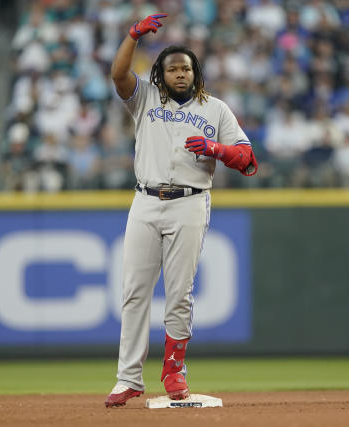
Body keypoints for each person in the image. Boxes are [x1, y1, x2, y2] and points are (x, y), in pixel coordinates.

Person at [104, 13, 257, 408]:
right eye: (171, 68)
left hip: (190, 201)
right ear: (160, 75)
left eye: (185, 68)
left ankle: (174, 371)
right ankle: (128, 379)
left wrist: (217, 150)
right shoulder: (146, 98)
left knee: (179, 293)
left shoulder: (215, 109)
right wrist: (132, 36)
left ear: (196, 73)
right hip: (145, 199)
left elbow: (247, 158)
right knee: (134, 291)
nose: (179, 74)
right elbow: (119, 74)